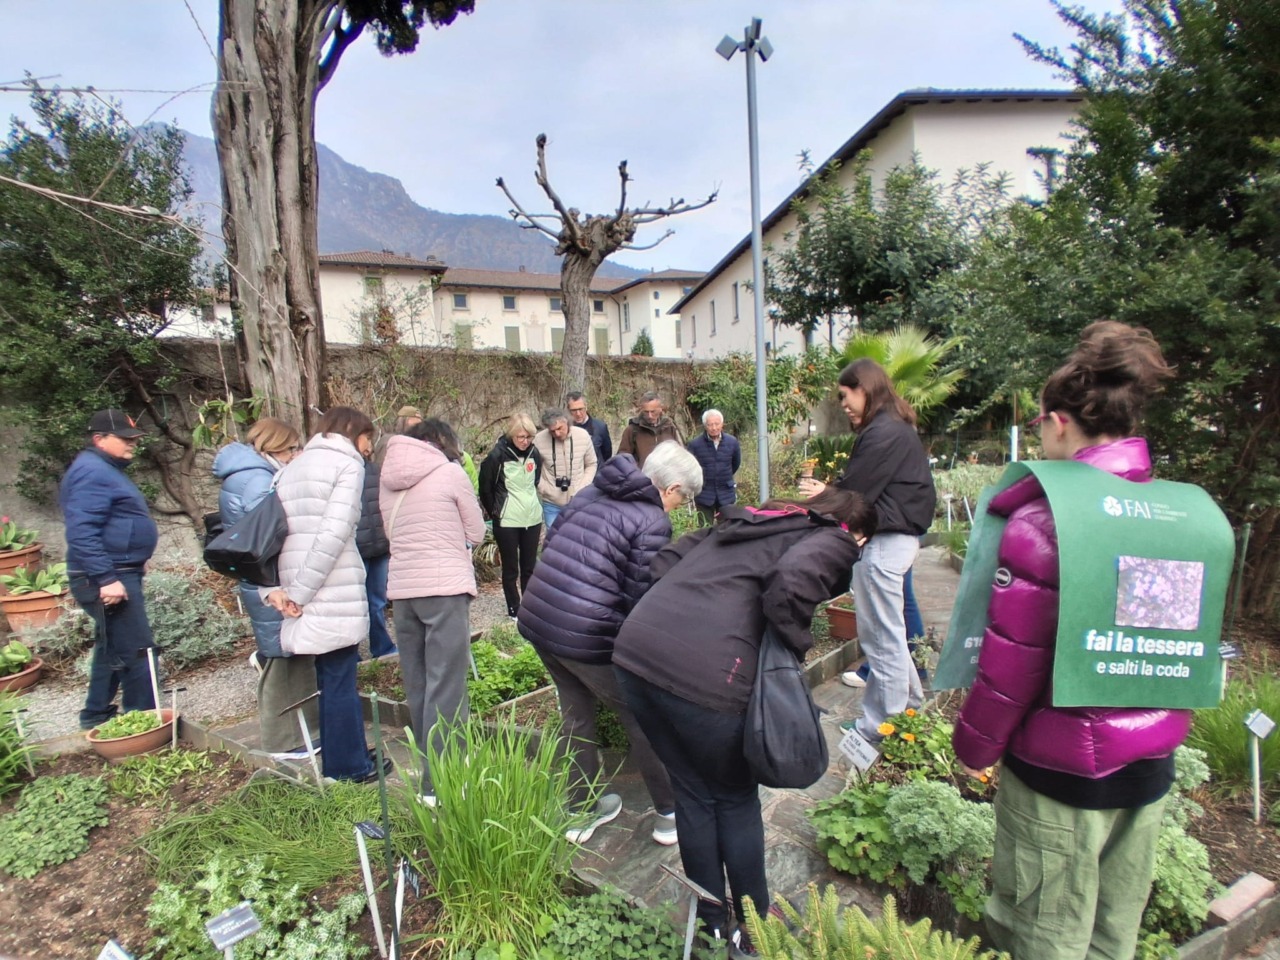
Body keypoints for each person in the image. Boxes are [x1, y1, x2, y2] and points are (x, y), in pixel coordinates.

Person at [953, 321, 1180, 960]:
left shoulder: (1046, 519)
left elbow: (1013, 661)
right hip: (1147, 769)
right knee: (1112, 937)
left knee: (1041, 937)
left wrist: (974, 747)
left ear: (1057, 423)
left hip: (1060, 777)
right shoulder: (1172, 510)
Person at [613, 488, 876, 958]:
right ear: (856, 533)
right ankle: (754, 928)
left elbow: (664, 560)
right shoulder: (833, 536)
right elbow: (791, 582)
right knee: (733, 800)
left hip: (636, 656)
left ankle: (712, 925)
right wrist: (788, 649)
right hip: (705, 681)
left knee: (693, 794)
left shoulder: (746, 520)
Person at [517, 442, 703, 846]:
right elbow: (640, 599)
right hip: (586, 634)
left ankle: (581, 811)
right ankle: (671, 814)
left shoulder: (594, 491)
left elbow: (553, 545)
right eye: (683, 499)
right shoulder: (651, 520)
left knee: (576, 716)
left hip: (541, 619)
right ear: (671, 488)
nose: (680, 508)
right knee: (644, 716)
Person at [798, 358, 936, 743]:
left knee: (881, 640)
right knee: (890, 635)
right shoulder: (894, 426)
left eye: (846, 396)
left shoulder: (883, 432)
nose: (843, 405)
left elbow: (856, 494)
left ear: (865, 389)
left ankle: (879, 728)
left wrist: (824, 494)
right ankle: (909, 710)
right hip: (894, 540)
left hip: (885, 544)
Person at [265, 407, 385, 783]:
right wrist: (301, 593)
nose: (369, 447)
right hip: (328, 587)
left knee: (329, 675)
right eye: (367, 438)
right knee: (339, 678)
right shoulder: (346, 465)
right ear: (352, 433)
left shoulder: (290, 468)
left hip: (299, 585)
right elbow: (334, 534)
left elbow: (270, 535)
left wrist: (281, 591)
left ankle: (347, 754)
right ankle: (349, 768)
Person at [381, 418, 486, 803]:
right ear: (440, 442)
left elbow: (391, 533)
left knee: (420, 685)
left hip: (404, 593)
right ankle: (443, 783)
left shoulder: (388, 478)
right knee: (448, 687)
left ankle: (432, 771)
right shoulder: (450, 472)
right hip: (444, 590)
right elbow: (476, 532)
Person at [212, 417, 320, 758]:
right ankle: (287, 741)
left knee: (282, 653)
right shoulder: (260, 479)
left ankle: (294, 735)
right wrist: (276, 586)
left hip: (261, 579)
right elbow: (267, 536)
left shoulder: (243, 475)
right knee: (284, 659)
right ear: (272, 447)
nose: (295, 455)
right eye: (290, 448)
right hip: (271, 582)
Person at [61, 409, 160, 730]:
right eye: (125, 438)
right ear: (99, 439)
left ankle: (95, 715)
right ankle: (144, 724)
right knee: (137, 650)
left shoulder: (102, 469)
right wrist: (106, 578)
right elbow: (82, 531)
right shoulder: (91, 472)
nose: (133, 443)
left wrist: (135, 554)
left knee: (112, 646)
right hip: (107, 576)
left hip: (118, 570)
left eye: (135, 438)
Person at [478, 414, 543, 618]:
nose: (525, 441)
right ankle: (514, 609)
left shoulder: (534, 453)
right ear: (512, 435)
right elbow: (485, 488)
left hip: (532, 518)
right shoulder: (497, 456)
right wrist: (496, 512)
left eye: (529, 437)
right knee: (510, 568)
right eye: (521, 437)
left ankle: (531, 608)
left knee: (529, 567)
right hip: (507, 520)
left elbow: (535, 481)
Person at [357, 435, 396, 660]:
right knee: (354, 604)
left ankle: (381, 647)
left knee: (378, 601)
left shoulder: (375, 470)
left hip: (379, 546)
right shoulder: (341, 471)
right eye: (366, 438)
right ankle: (350, 654)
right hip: (355, 549)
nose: (370, 445)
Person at [533, 408, 597, 529]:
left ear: (566, 421)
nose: (557, 434)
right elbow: (533, 469)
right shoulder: (539, 440)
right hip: (551, 503)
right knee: (553, 538)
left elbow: (591, 464)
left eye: (559, 428)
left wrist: (582, 488)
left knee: (577, 536)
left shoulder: (583, 436)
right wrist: (545, 489)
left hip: (578, 500)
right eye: (552, 431)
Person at [686, 408, 741, 525]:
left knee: (727, 528)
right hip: (704, 493)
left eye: (717, 424)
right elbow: (690, 468)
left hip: (726, 493)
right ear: (705, 426)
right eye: (710, 424)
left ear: (722, 424)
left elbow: (735, 464)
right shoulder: (695, 444)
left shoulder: (732, 442)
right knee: (705, 529)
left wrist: (723, 475)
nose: (714, 428)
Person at [617, 391, 682, 467]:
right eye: (646, 412)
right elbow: (622, 459)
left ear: (660, 409)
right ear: (641, 410)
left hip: (666, 473)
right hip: (642, 473)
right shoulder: (632, 430)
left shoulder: (668, 427)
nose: (650, 416)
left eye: (653, 412)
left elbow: (678, 454)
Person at [567, 391, 612, 465]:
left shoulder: (600, 427)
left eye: (581, 409)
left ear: (586, 407)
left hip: (596, 470)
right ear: (568, 410)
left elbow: (607, 454)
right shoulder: (565, 429)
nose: (578, 414)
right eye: (574, 410)